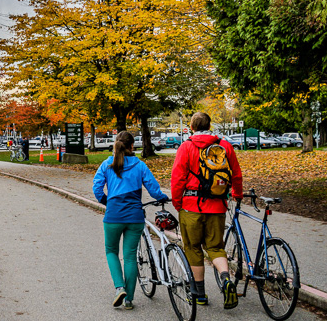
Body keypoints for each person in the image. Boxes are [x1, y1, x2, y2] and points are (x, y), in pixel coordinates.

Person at [171, 111, 243, 308]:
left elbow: (177, 179)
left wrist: (178, 203)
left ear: (192, 127)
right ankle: (226, 279)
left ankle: (200, 294)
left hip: (191, 205)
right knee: (215, 247)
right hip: (217, 205)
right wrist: (237, 194)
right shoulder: (224, 145)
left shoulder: (186, 147)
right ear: (209, 126)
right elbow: (235, 173)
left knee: (193, 248)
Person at [93, 130, 169, 310]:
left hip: (113, 216)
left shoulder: (106, 165)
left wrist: (108, 202)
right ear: (132, 146)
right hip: (135, 217)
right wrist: (162, 197)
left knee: (111, 251)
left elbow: (97, 189)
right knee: (129, 256)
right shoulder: (140, 165)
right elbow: (153, 188)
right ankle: (129, 300)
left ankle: (119, 288)